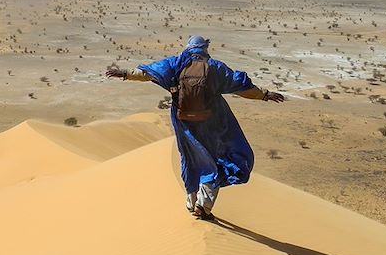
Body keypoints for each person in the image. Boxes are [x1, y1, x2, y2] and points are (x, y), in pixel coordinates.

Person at [106, 35, 285, 220]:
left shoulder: (175, 64)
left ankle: (191, 202)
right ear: (204, 49)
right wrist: (264, 95)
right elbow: (240, 84)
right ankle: (204, 206)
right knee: (216, 159)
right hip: (213, 122)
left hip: (183, 122)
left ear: (189, 47)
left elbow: (148, 73)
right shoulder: (215, 68)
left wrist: (125, 74)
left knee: (191, 159)